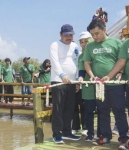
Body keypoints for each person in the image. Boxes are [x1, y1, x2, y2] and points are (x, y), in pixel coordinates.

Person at [83, 19, 128, 149]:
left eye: (97, 33)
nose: (94, 37)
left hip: (115, 85)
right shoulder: (90, 46)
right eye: (92, 34)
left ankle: (123, 138)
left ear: (104, 29)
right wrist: (92, 76)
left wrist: (121, 72)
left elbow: (123, 60)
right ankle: (105, 136)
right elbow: (87, 63)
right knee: (102, 111)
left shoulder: (117, 43)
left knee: (119, 110)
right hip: (100, 85)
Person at [50, 24, 80, 144]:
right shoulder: (54, 45)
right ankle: (57, 134)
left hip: (72, 82)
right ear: (60, 34)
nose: (69, 37)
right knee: (58, 108)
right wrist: (62, 75)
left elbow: (77, 63)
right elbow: (55, 62)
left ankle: (67, 132)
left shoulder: (75, 46)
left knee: (70, 108)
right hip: (58, 81)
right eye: (66, 35)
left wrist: (77, 80)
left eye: (71, 35)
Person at [72, 32, 93, 137]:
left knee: (86, 107)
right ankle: (75, 127)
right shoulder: (80, 56)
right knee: (75, 106)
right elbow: (79, 69)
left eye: (86, 41)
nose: (84, 44)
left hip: (92, 84)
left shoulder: (94, 52)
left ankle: (86, 128)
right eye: (82, 42)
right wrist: (77, 81)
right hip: (80, 83)